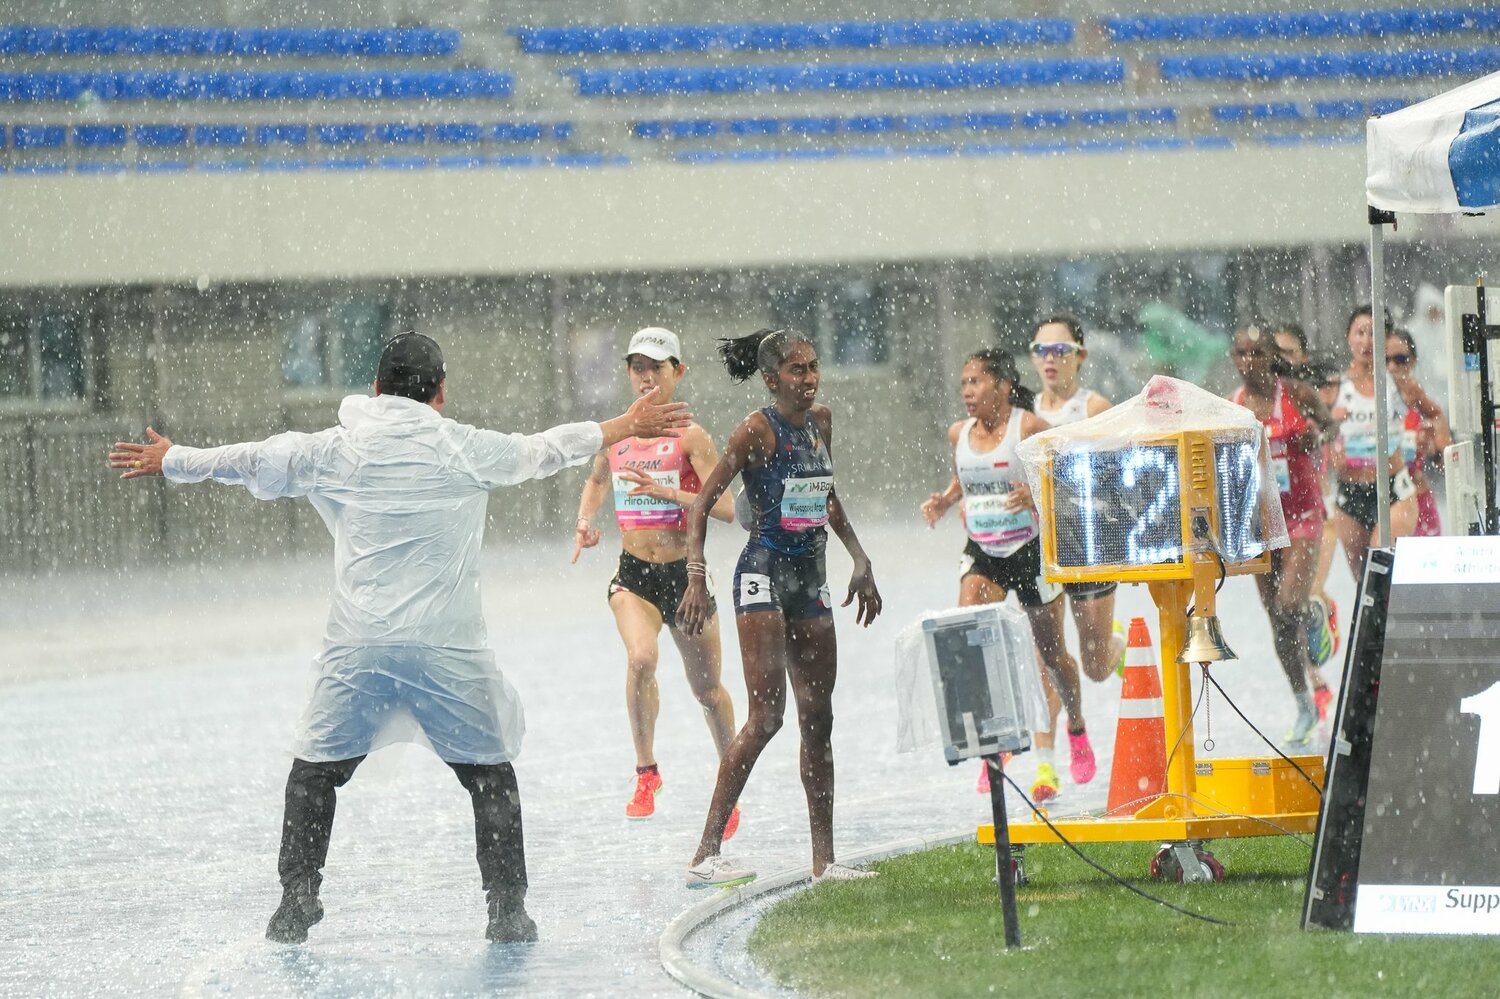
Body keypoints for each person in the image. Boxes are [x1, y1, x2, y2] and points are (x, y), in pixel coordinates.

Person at [109, 331, 691, 945]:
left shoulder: (340, 447)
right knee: (490, 775)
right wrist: (623, 423)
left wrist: (172, 458)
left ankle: (296, 897)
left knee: (314, 774)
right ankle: (507, 908)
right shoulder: (463, 447)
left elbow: (256, 459)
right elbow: (541, 451)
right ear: (440, 394)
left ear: (377, 389)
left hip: (359, 651)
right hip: (447, 653)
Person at [676, 328, 882, 888]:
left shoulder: (823, 423)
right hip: (763, 577)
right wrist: (696, 577)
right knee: (766, 719)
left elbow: (828, 496)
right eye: (796, 370)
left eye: (814, 366)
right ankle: (705, 853)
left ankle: (825, 863)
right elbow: (700, 506)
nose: (809, 378)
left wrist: (859, 559)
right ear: (771, 379)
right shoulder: (757, 430)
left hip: (809, 583)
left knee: (819, 720)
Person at [571, 327, 740, 829]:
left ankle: (729, 779)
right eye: (637, 368)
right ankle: (646, 772)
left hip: (686, 581)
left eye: (657, 368)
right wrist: (584, 523)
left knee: (707, 692)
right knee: (641, 658)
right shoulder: (616, 434)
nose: (646, 377)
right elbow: (598, 481)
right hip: (635, 578)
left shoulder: (691, 437)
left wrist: (671, 497)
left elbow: (728, 508)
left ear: (677, 373)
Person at [920, 346, 1096, 804]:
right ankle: (994, 751)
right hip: (984, 551)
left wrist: (1037, 495)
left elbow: (1072, 481)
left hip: (1031, 551)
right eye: (963, 385)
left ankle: (1076, 726)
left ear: (1001, 385)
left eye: (975, 382)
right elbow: (967, 479)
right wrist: (944, 500)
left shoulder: (1031, 428)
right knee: (966, 638)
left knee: (1053, 656)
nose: (967, 392)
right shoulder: (958, 433)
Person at [1022, 314, 1124, 799]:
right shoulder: (1022, 411)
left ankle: (1116, 646)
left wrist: (1059, 484)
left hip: (1089, 543)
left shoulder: (1095, 407)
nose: (1049, 359)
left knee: (1095, 666)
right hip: (1039, 549)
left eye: (1060, 351)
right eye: (1040, 350)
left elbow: (1113, 477)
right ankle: (1047, 766)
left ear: (1080, 356)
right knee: (1046, 653)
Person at [1228, 323, 1338, 747]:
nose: (1248, 362)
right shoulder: (1233, 405)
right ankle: (1303, 703)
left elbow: (1329, 427)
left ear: (1271, 356)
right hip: (1261, 523)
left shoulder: (1294, 393)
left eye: (1256, 353)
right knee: (1275, 618)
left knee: (1289, 602)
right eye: (1241, 354)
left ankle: (1313, 613)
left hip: (1303, 514)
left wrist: (1315, 437)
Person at [1331, 305, 1402, 583]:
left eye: (1374, 334)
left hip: (1392, 489)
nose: (1366, 341)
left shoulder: (1395, 382)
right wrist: (1330, 428)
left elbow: (1427, 418)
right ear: (1348, 336)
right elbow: (1316, 434)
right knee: (1363, 584)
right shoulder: (1334, 386)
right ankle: (1366, 627)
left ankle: (1393, 625)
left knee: (1382, 575)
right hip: (1350, 492)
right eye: (1360, 333)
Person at [1385, 327, 1451, 540]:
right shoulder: (1363, 399)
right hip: (1376, 502)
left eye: (1400, 359)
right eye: (1385, 360)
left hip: (1416, 499)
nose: (1392, 367)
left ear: (1413, 362)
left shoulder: (1419, 398)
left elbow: (1446, 461)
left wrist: (1433, 448)